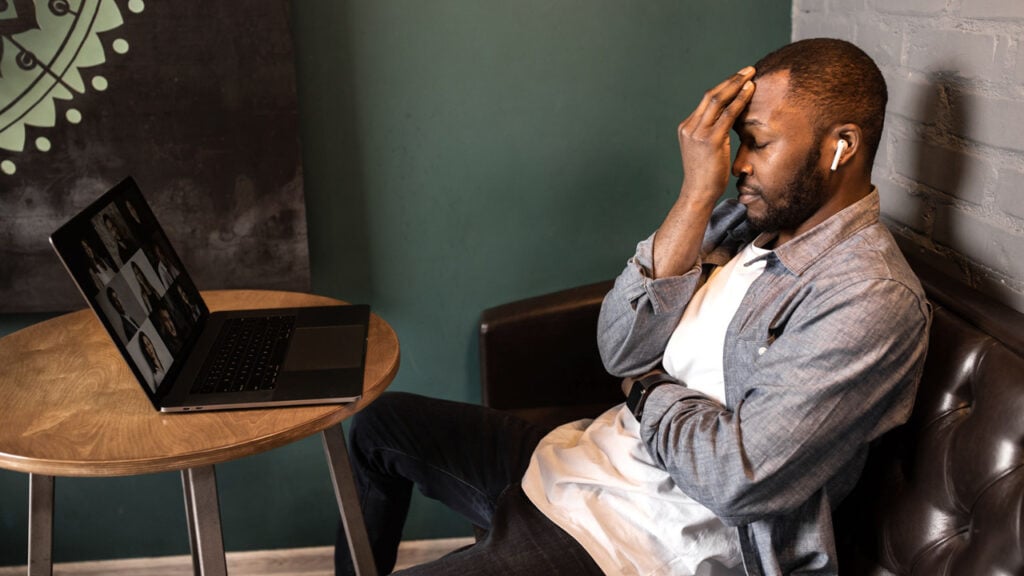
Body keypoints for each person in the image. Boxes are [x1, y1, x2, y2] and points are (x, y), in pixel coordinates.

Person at [335, 38, 931, 576]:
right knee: (376, 427)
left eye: (758, 142)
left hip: (646, 541)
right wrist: (696, 195)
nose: (739, 163)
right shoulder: (742, 225)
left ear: (842, 146)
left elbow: (738, 477)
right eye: (737, 142)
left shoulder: (867, 295)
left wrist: (647, 391)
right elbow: (620, 347)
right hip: (586, 465)